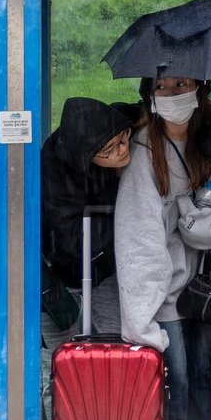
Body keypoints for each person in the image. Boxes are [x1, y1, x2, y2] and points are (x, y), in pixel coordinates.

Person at [115, 76, 211, 420]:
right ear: (150, 94)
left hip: (202, 288)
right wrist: (141, 318)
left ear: (199, 89)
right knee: (175, 382)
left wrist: (194, 219)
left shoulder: (208, 141)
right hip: (163, 294)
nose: (173, 94)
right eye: (163, 86)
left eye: (182, 84)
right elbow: (139, 239)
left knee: (199, 378)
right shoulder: (145, 151)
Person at [41, 97, 141, 335]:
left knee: (119, 343)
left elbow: (139, 111)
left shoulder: (113, 123)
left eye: (124, 138)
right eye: (111, 149)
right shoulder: (55, 172)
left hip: (107, 268)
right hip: (62, 272)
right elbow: (73, 240)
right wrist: (125, 208)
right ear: (86, 157)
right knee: (64, 357)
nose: (124, 149)